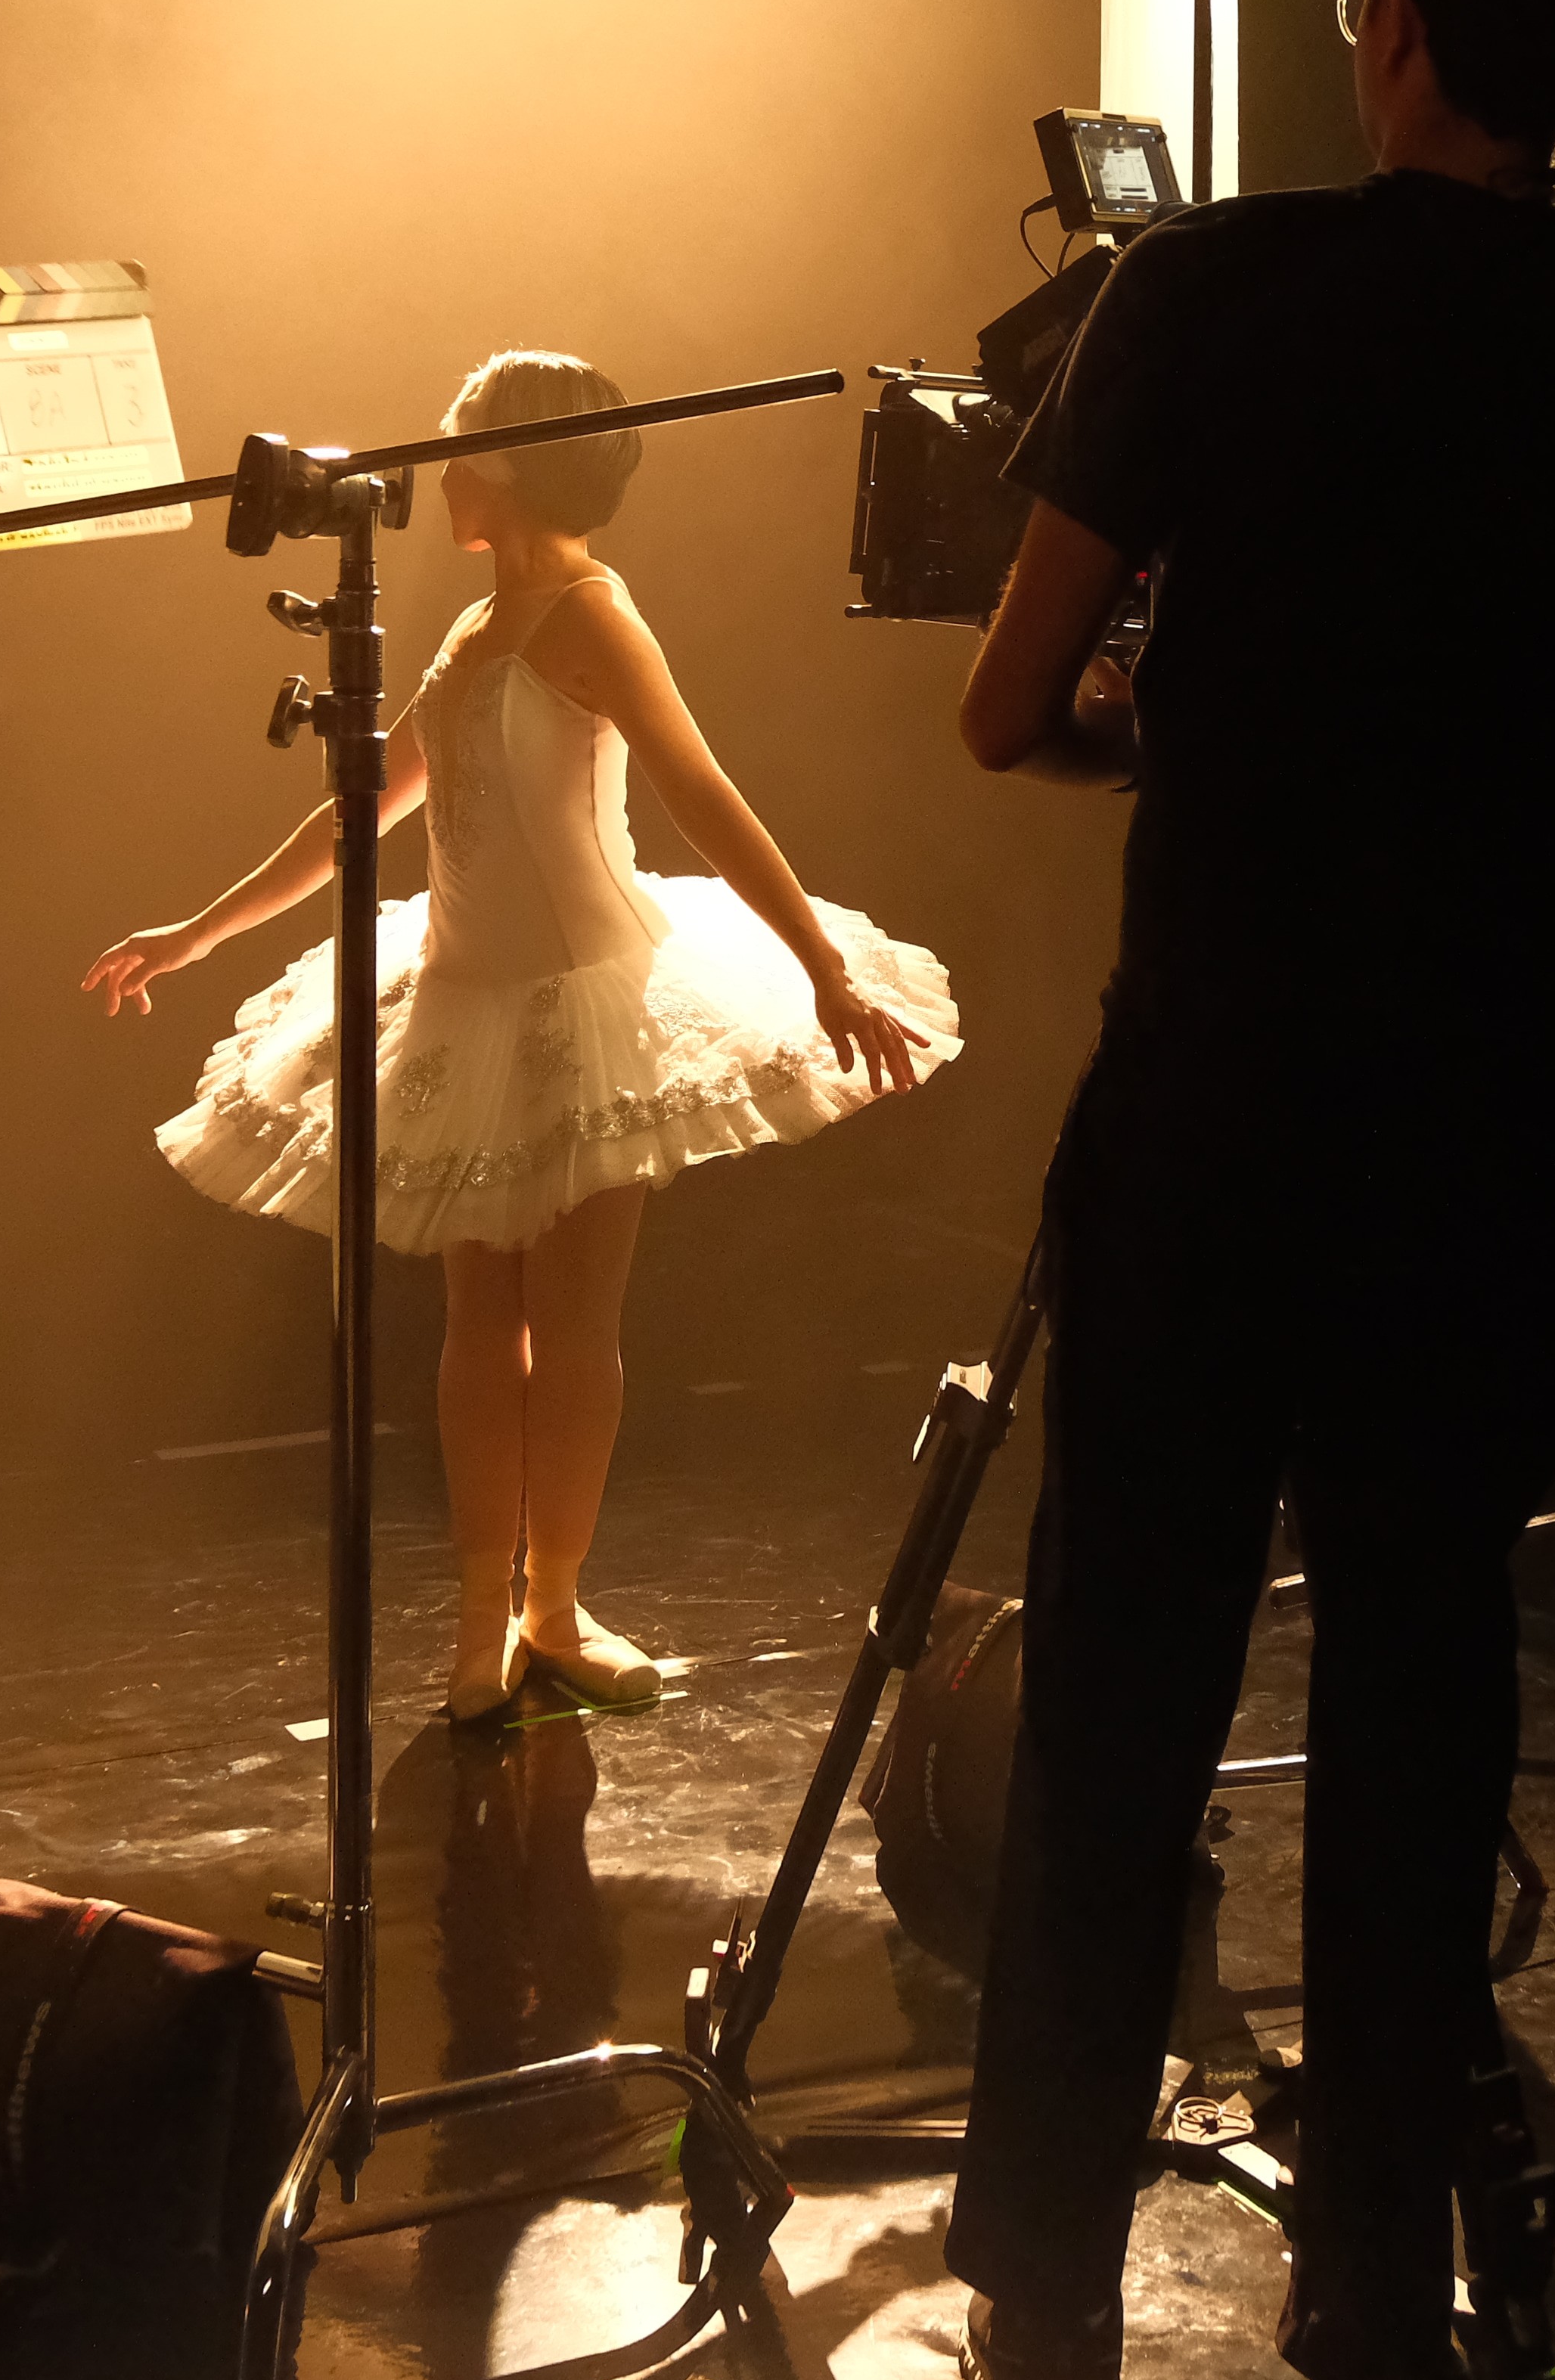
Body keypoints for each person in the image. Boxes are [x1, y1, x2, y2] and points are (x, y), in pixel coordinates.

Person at [941, 0, 1555, 2380]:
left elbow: (1009, 705)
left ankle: (1042, 2323)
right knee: (1421, 1726)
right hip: (1467, 1142)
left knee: (1115, 1716)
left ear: (1389, 20)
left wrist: (1195, 716)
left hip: (1202, 1126)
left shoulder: (1197, 287)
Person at [84, 350, 952, 1727]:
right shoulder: (476, 623)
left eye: (458, 447)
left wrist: (825, 965)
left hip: (588, 1001)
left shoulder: (594, 618)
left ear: (511, 463)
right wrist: (195, 933)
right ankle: (486, 1612)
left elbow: (703, 794)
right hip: (459, 997)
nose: (437, 472)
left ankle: (554, 1603)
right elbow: (362, 812)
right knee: (479, 1329)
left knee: (574, 1324)